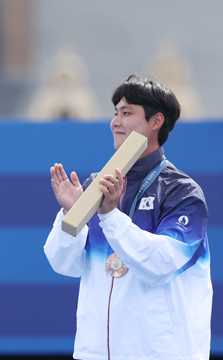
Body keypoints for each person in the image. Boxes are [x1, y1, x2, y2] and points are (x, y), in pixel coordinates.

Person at [44, 74, 211, 360]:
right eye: (115, 113)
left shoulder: (182, 193)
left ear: (156, 121)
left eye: (127, 112)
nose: (115, 121)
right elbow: (63, 263)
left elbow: (160, 265)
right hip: (96, 352)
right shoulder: (98, 187)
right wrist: (69, 216)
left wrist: (110, 217)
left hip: (159, 353)